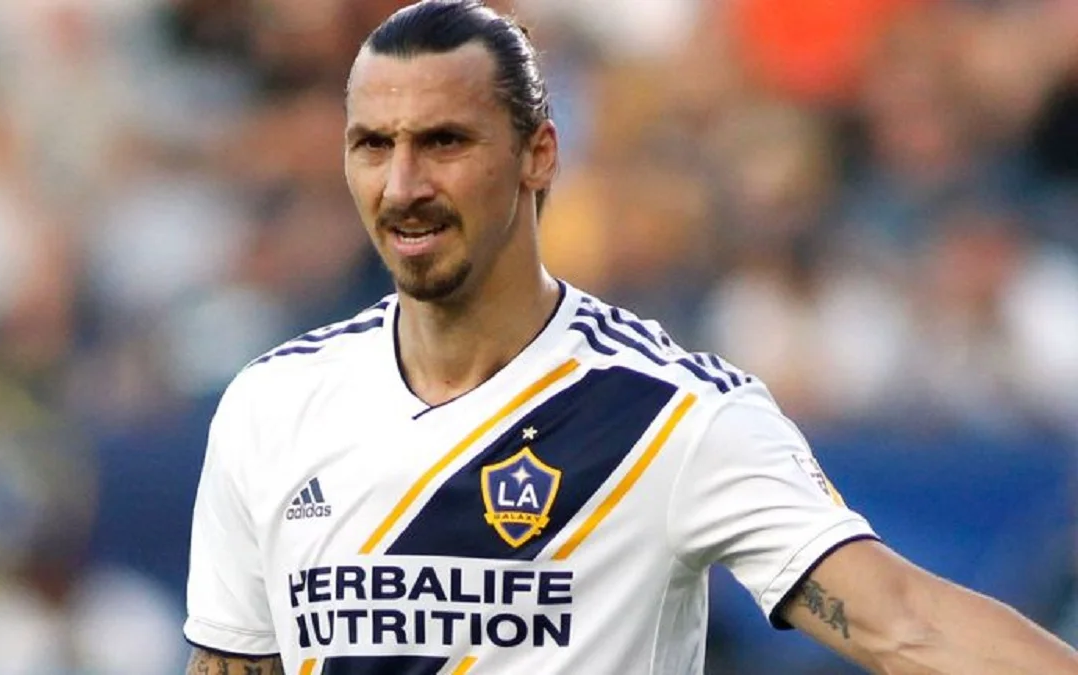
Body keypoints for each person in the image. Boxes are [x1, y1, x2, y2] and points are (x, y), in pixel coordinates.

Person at [182, 1, 1078, 673]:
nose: (403, 184)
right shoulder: (272, 404)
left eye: (445, 142)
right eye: (374, 145)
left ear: (539, 154)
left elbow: (904, 622)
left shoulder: (671, 412)